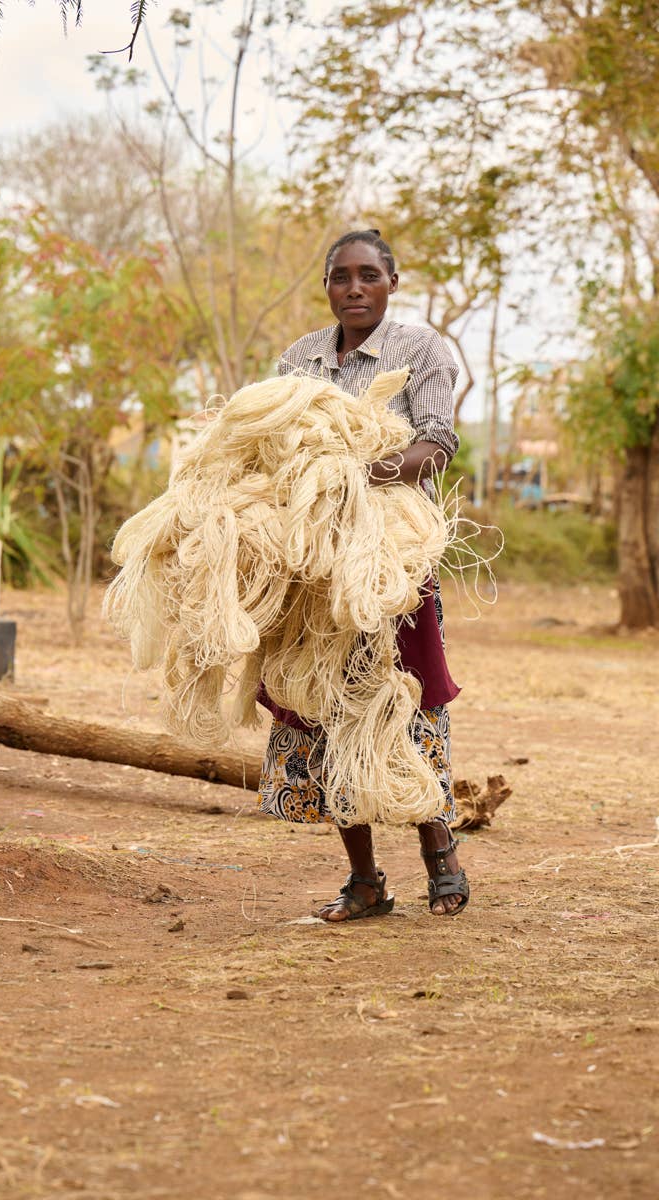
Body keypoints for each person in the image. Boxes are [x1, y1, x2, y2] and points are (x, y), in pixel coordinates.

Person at [256, 228, 470, 920]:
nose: (355, 288)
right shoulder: (300, 360)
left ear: (392, 283)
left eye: (369, 276)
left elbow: (437, 444)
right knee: (322, 703)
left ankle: (440, 856)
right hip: (314, 565)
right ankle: (364, 880)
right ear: (326, 286)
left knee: (405, 700)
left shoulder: (421, 350)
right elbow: (275, 446)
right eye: (341, 277)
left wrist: (353, 474)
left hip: (394, 564)